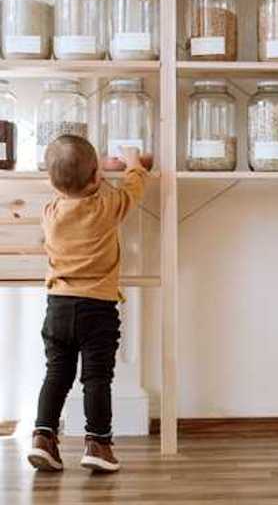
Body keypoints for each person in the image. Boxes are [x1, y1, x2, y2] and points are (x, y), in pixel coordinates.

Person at [27, 135, 147, 473]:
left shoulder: (50, 213)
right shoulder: (107, 207)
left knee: (56, 374)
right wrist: (133, 161)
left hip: (58, 307)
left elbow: (69, 189)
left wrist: (84, 178)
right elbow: (134, 187)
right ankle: (97, 443)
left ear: (51, 182)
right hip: (97, 309)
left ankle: (43, 438)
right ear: (97, 177)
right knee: (96, 378)